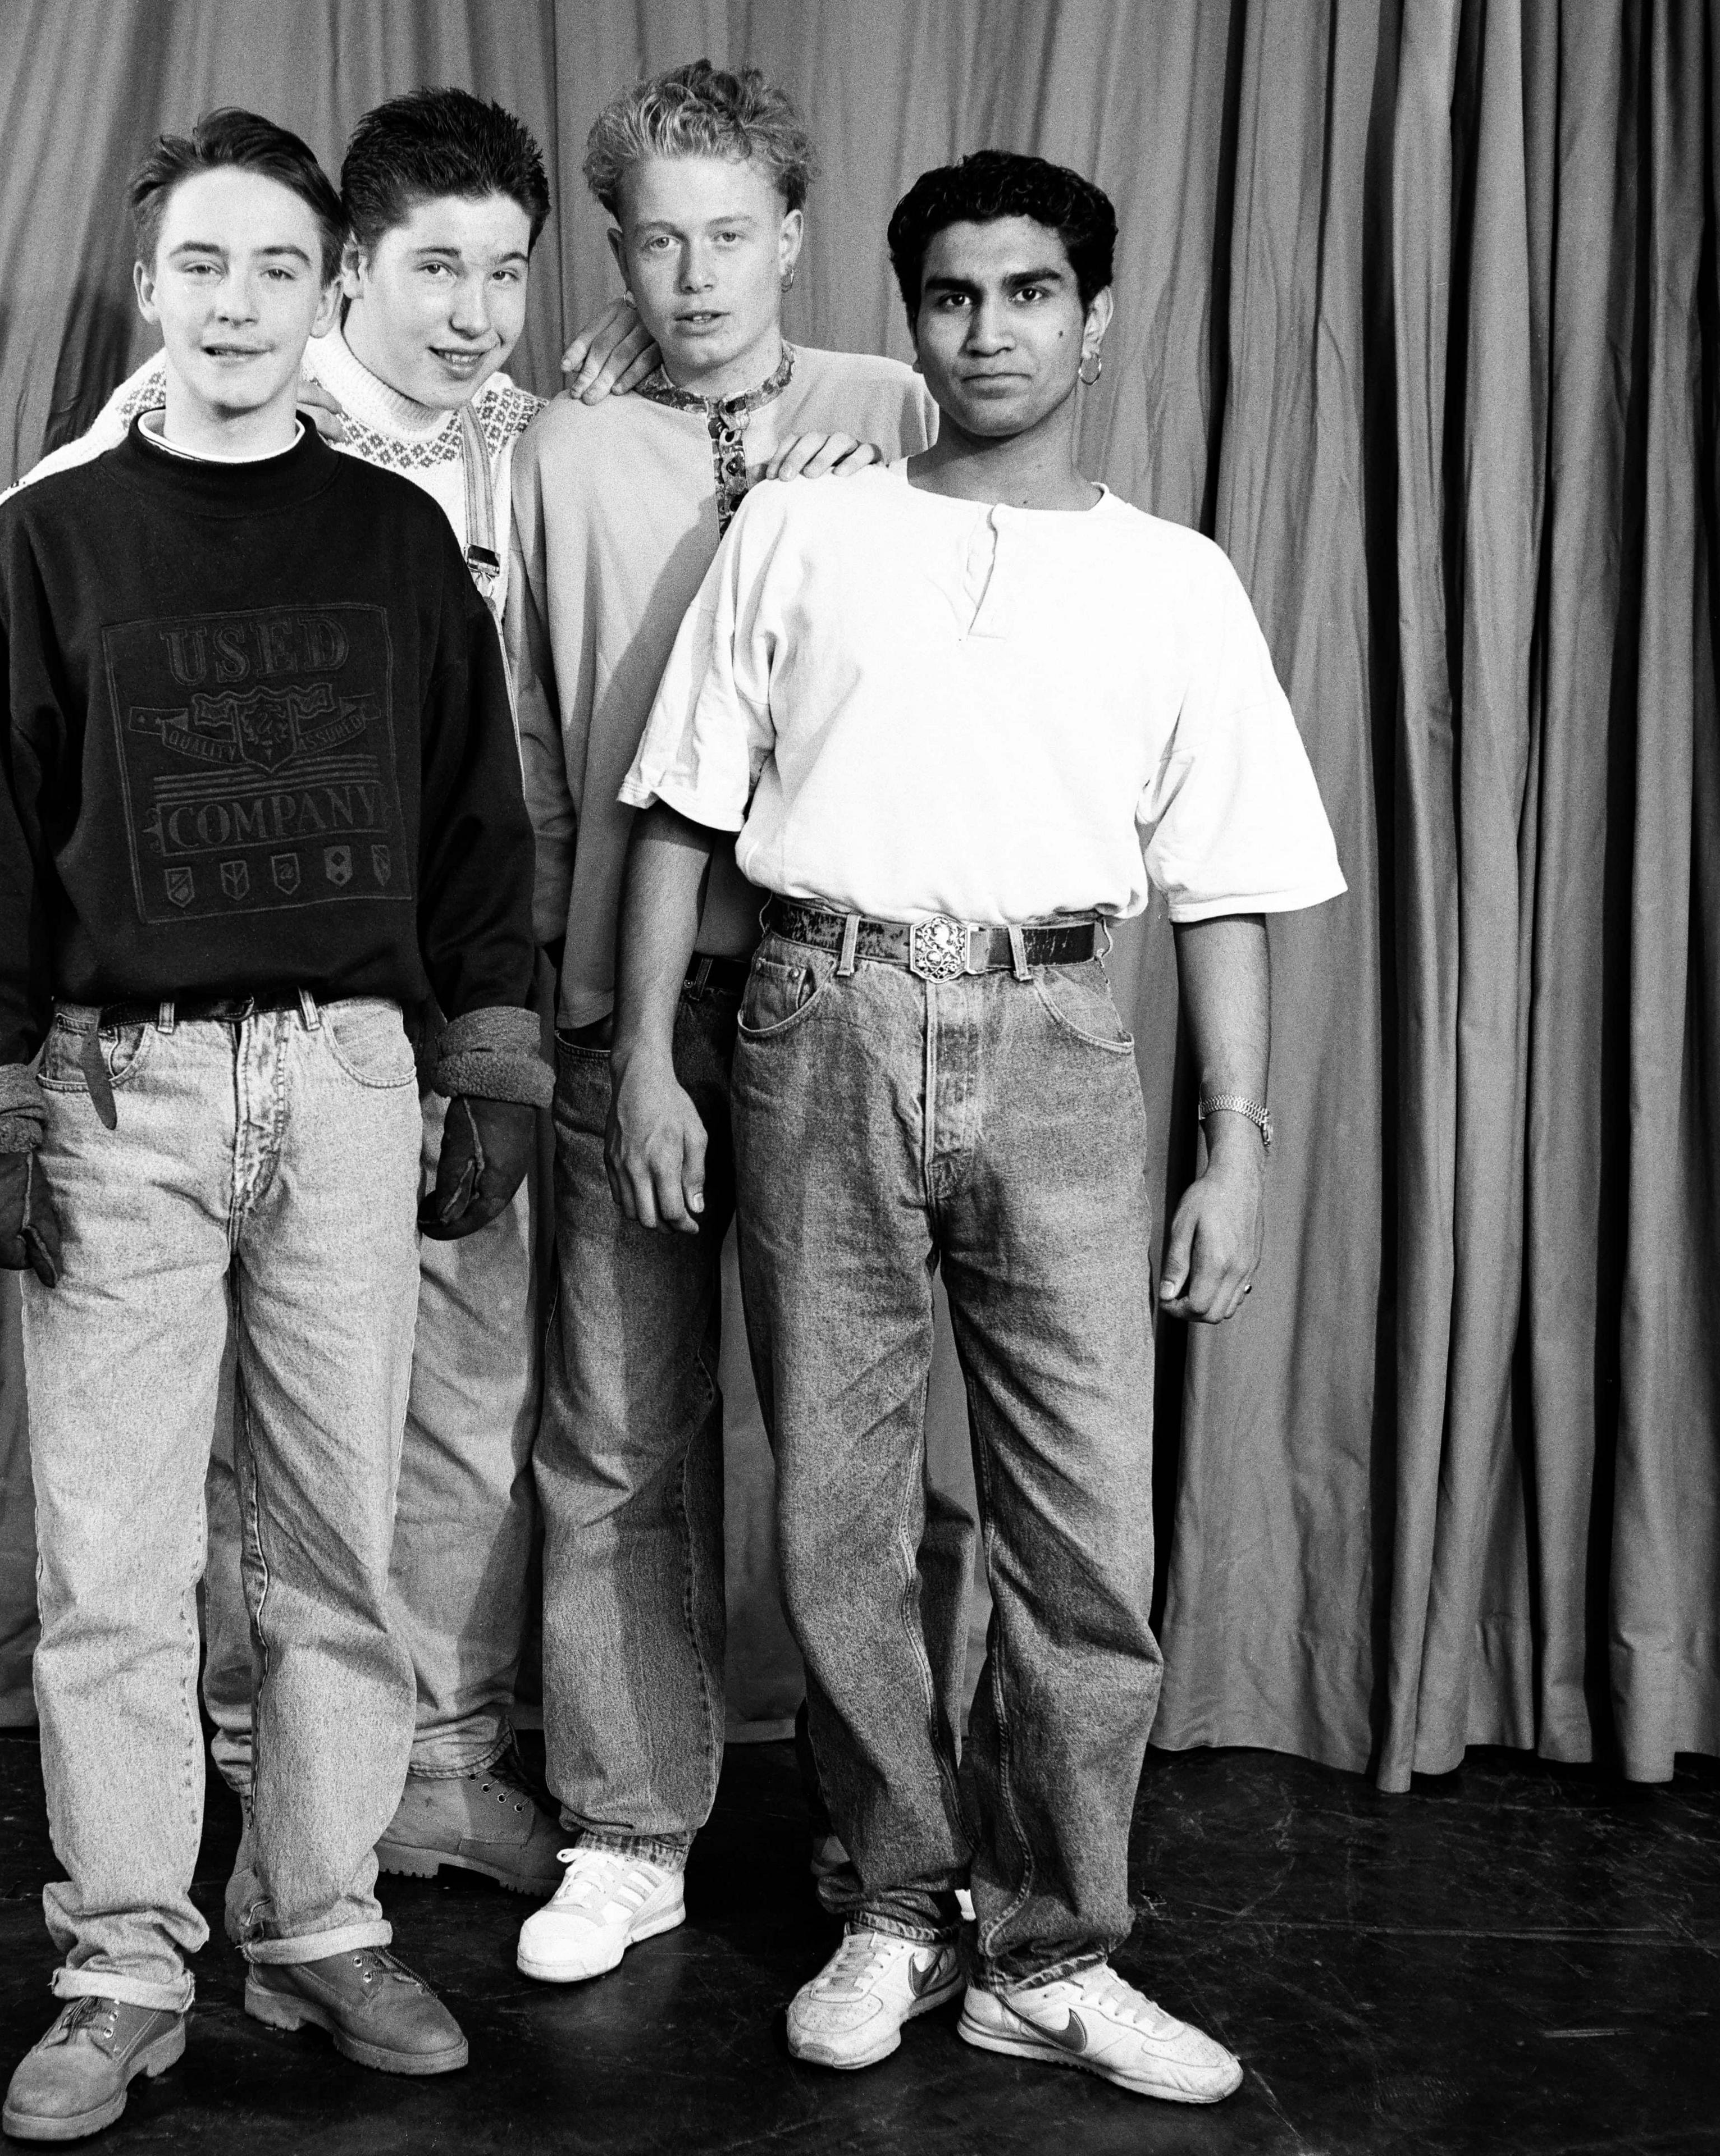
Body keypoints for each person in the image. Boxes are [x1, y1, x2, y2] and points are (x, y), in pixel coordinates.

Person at [614, 150, 1345, 2095]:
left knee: (1084, 1520)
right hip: (818, 1016)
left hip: (1060, 1039)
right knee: (842, 1506)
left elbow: (1234, 880)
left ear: (1094, 321)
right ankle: (894, 1901)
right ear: (912, 317)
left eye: (1030, 295)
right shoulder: (808, 532)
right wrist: (641, 1064)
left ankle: (1058, 1944)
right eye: (952, 297)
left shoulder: (1176, 578)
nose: (989, 331)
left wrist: (1242, 1136)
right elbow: (682, 808)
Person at [0, 109, 546, 2135]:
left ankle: (323, 1922)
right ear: (154, 288)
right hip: (125, 1090)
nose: (242, 305)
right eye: (205, 268)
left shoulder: (394, 543)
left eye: (282, 269)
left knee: (338, 1540)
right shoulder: (53, 541)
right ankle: (116, 1960)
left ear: (329, 289)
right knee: (115, 1555)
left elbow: (472, 823)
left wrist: (496, 1058)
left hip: (347, 1079)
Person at [0, 85, 650, 1917]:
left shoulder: (490, 461)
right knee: (177, 1499)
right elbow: (10, 801)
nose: (472, 309)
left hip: (415, 1021)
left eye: (506, 273)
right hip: (173, 1041)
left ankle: (377, 1832)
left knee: (419, 1447)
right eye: (433, 268)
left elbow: (474, 796)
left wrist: (491, 1054)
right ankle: (179, 1865)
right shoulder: (102, 497)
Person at [508, 58, 982, 1988]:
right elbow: (543, 744)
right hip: (627, 995)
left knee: (863, 1447)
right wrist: (565, 1006)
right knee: (618, 1428)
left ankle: (900, 1860)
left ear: (793, 233)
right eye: (654, 239)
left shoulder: (906, 409)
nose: (694, 276)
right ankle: (627, 1828)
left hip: (842, 994)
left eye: (730, 235)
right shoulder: (559, 445)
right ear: (615, 250)